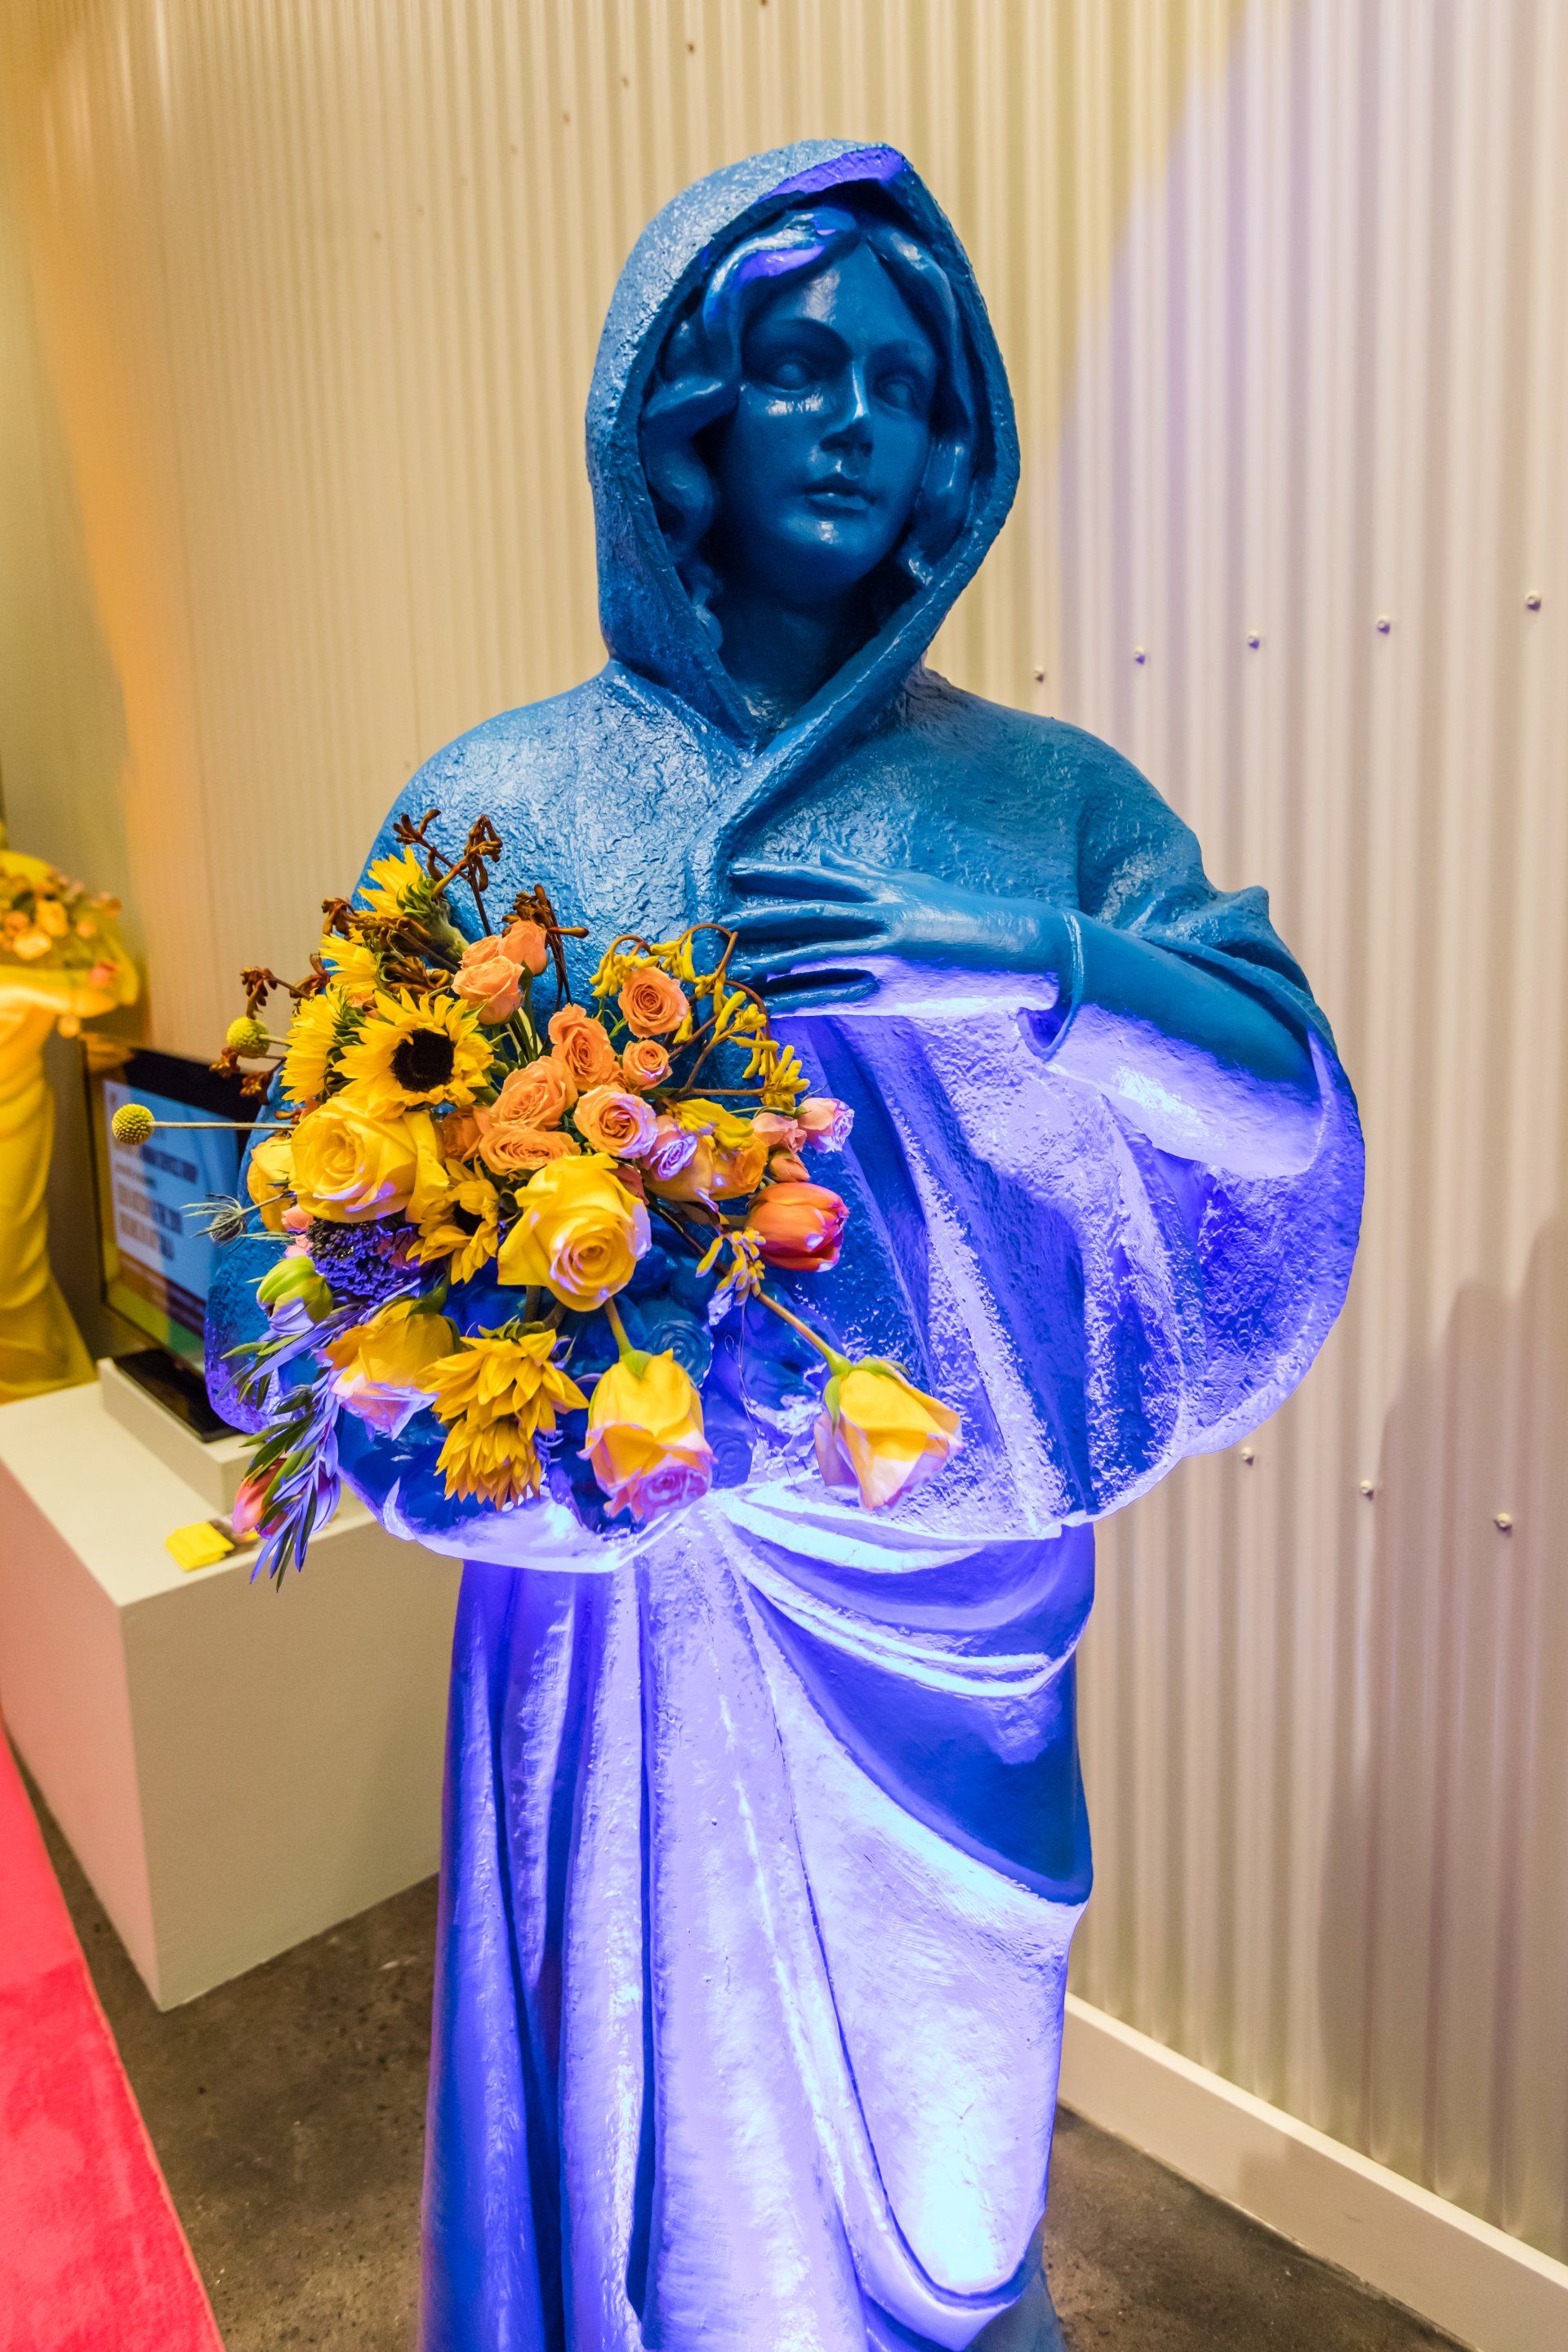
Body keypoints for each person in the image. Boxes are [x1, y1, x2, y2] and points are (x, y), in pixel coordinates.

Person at [210, 140, 1361, 2352]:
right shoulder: (510, 802)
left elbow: (1284, 1107)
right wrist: (504, 1454)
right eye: (800, 365)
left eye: (908, 384)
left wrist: (1020, 960)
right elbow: (317, 1250)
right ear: (689, 415)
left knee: (953, 2194)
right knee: (653, 2183)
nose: (856, 416)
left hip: (951, 1599)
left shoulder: (1054, 805)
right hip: (618, 1609)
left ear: (955, 451)